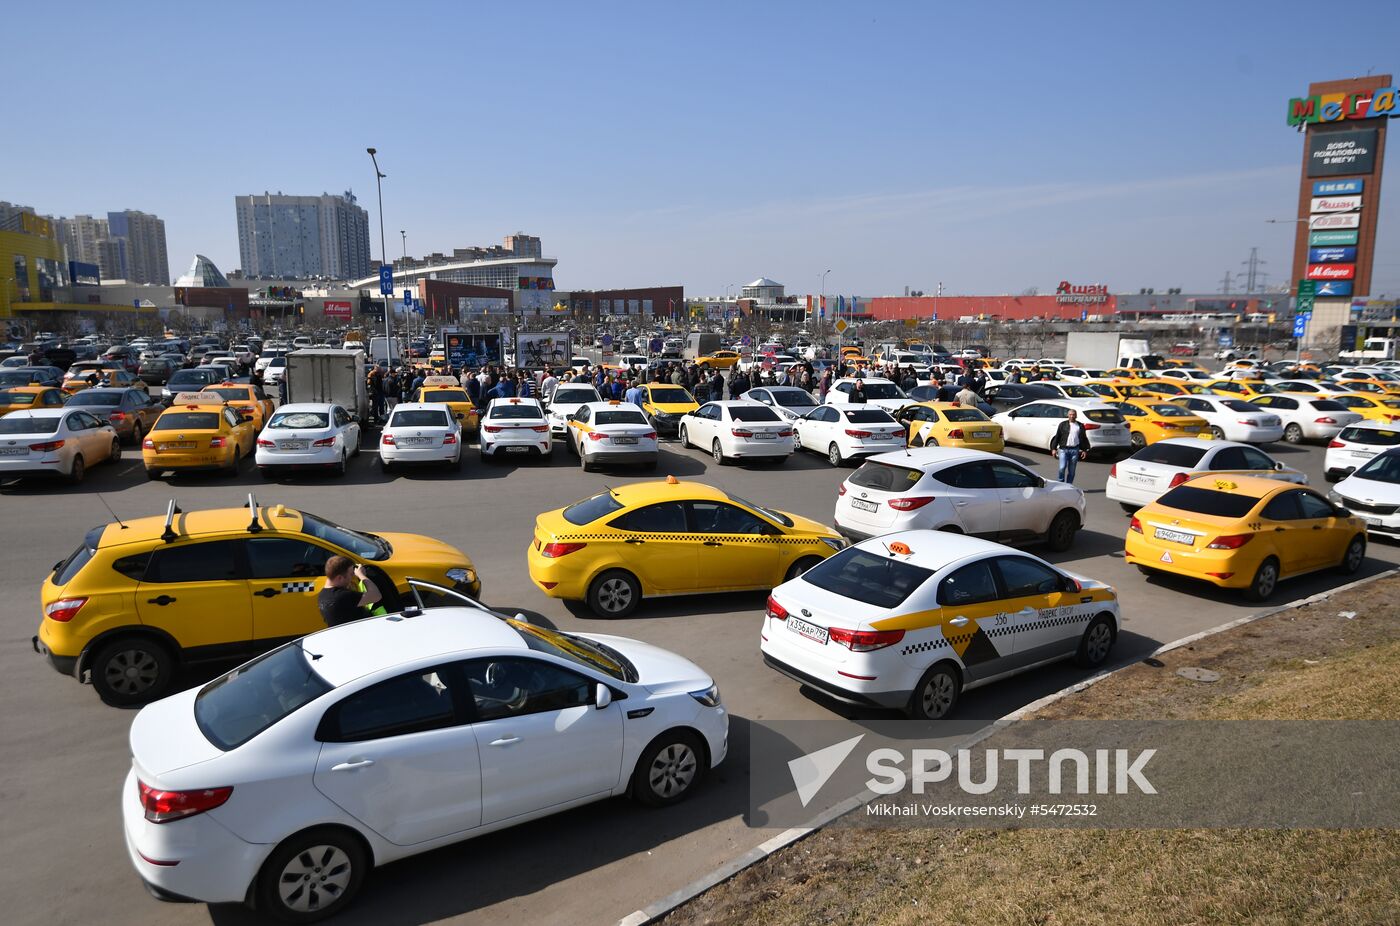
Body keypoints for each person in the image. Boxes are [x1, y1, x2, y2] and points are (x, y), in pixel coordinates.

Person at [317, 556, 383, 628]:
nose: (352, 577)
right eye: (351, 574)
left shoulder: (322, 595)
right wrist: (361, 575)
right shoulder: (343, 596)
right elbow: (376, 596)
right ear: (340, 578)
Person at [1051, 408, 1091, 484]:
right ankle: (1060, 483)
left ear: (1076, 416)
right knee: (1062, 467)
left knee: (1072, 471)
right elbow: (1057, 436)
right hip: (1063, 449)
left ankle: (1069, 485)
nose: (1072, 416)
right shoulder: (1063, 424)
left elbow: (1083, 438)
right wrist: (1053, 448)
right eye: (1070, 415)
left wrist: (1084, 450)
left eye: (1073, 415)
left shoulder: (1080, 425)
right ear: (1068, 415)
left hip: (1074, 450)